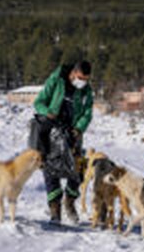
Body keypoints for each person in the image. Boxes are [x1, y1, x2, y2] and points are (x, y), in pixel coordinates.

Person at [28, 60, 94, 225]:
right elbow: (39, 102)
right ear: (73, 73)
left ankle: (69, 202)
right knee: (51, 169)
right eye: (80, 78)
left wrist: (79, 128)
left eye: (86, 79)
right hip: (53, 131)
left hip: (73, 132)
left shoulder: (86, 90)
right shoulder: (56, 80)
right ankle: (55, 207)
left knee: (77, 169)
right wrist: (48, 112)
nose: (82, 82)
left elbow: (88, 112)